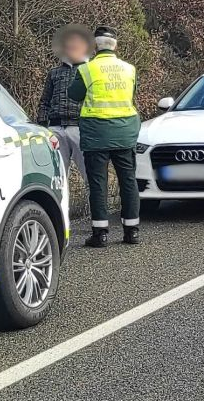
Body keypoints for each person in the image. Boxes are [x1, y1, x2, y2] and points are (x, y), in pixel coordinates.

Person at [68, 26, 142, 246]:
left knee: (98, 183)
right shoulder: (129, 69)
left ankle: (100, 234)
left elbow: (74, 95)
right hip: (124, 132)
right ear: (115, 46)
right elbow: (132, 93)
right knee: (128, 181)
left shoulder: (87, 69)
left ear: (94, 47)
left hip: (96, 133)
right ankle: (132, 232)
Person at [37, 25, 92, 178]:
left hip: (80, 128)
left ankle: (95, 202)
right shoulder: (54, 73)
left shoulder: (90, 71)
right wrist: (43, 125)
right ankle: (60, 202)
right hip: (55, 128)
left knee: (89, 174)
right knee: (57, 175)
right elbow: (45, 100)